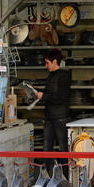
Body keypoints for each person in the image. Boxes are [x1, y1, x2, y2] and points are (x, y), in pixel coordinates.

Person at [35, 49, 71, 178]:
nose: (46, 66)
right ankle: (46, 176)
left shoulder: (64, 76)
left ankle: (66, 176)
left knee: (63, 148)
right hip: (50, 116)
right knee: (46, 148)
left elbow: (61, 98)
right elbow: (50, 95)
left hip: (61, 117)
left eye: (47, 62)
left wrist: (43, 96)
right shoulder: (51, 75)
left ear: (55, 61)